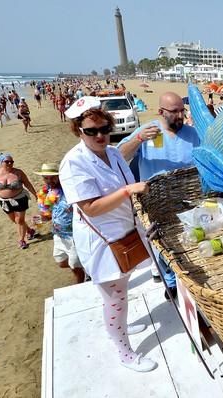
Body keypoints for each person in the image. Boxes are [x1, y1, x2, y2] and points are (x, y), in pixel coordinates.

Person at [59, 97, 157, 372]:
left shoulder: (111, 152)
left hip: (123, 229)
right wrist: (127, 191)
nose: (100, 136)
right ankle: (125, 352)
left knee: (118, 290)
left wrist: (137, 138)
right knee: (116, 297)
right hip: (102, 238)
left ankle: (119, 327)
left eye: (104, 128)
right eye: (91, 131)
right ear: (78, 130)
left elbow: (122, 152)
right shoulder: (74, 163)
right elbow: (90, 208)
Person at [118, 92, 201, 298]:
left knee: (188, 244)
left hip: (187, 199)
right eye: (174, 112)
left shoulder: (193, 134)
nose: (180, 116)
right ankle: (170, 283)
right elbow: (119, 156)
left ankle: (189, 283)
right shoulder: (148, 131)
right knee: (161, 246)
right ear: (161, 112)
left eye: (182, 110)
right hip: (155, 202)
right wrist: (138, 139)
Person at [34, 163, 86, 283]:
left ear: (59, 176)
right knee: (61, 262)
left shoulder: (69, 190)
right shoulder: (45, 193)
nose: (49, 180)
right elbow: (47, 215)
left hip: (74, 235)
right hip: (58, 234)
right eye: (46, 178)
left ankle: (80, 283)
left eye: (53, 177)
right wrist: (39, 219)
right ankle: (85, 266)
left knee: (74, 265)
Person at [0, 153, 38, 249]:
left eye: (11, 161)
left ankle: (22, 240)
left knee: (19, 220)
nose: (9, 163)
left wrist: (35, 194)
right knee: (14, 220)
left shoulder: (18, 172)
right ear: (1, 162)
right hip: (4, 201)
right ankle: (29, 231)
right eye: (6, 161)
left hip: (20, 198)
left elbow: (27, 183)